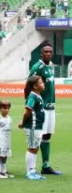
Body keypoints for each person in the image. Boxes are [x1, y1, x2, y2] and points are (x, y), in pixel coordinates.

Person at [27, 42, 62, 175]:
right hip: (42, 107)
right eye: (45, 52)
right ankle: (32, 168)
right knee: (38, 136)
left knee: (47, 135)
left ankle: (46, 166)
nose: (48, 53)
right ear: (41, 53)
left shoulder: (50, 67)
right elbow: (29, 84)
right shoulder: (38, 66)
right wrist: (30, 102)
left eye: (50, 52)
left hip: (51, 107)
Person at [20, 76, 47, 181]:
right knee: (31, 148)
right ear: (35, 86)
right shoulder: (32, 97)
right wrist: (22, 123)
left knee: (35, 148)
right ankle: (29, 172)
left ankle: (33, 170)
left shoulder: (38, 95)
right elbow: (27, 111)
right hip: (32, 126)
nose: (43, 83)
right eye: (41, 82)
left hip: (38, 126)